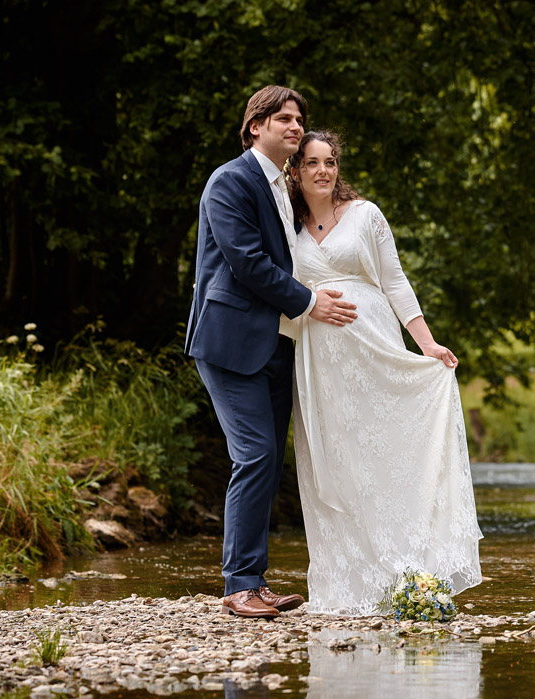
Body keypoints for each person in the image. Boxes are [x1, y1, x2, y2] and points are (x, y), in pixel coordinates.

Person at [283, 130, 482, 615]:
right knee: (336, 462)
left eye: (330, 162)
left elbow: (395, 281)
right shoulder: (286, 224)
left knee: (383, 454)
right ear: (295, 171)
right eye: (311, 163)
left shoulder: (366, 215)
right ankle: (345, 583)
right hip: (320, 362)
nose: (323, 171)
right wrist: (308, 309)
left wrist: (428, 343)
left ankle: (406, 570)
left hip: (373, 345)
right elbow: (280, 287)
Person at [186, 87, 358, 618]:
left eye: (299, 118)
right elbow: (247, 262)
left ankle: (254, 580)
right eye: (282, 118)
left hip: (276, 345)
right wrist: (310, 303)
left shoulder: (285, 188)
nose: (293, 125)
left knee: (267, 459)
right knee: (254, 454)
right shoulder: (230, 181)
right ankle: (239, 586)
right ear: (254, 126)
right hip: (229, 341)